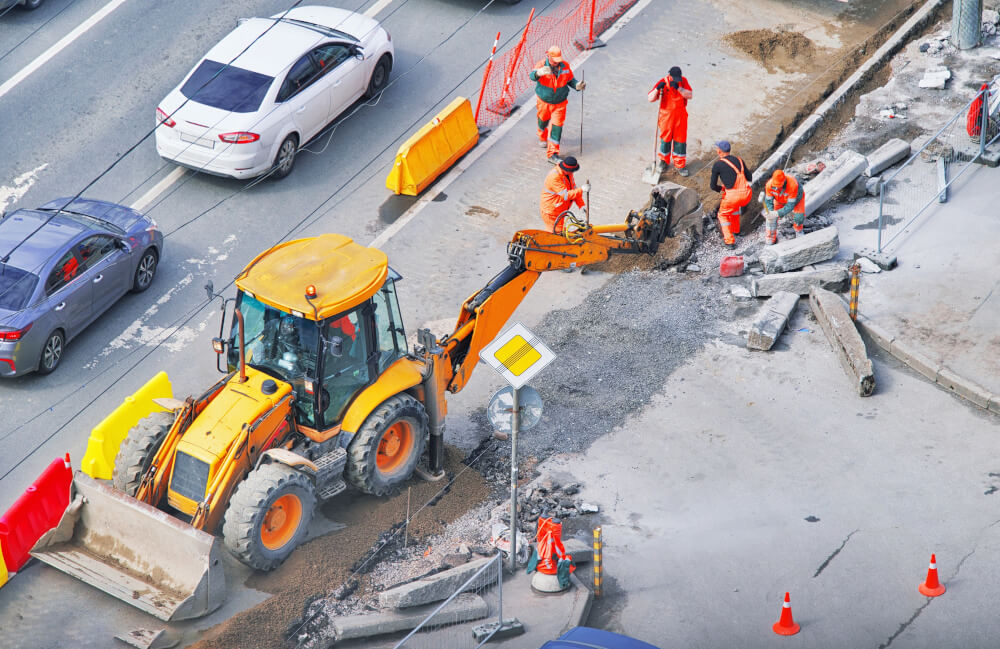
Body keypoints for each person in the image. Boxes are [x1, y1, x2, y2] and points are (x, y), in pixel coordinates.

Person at [529, 45, 586, 164]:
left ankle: (552, 154)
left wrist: (577, 85)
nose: (556, 63)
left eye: (558, 60)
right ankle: (542, 136)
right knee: (542, 121)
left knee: (557, 127)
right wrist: (538, 73)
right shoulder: (541, 65)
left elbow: (570, 80)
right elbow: (532, 76)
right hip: (544, 102)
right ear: (548, 56)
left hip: (560, 104)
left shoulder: (564, 66)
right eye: (554, 60)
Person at [648, 66, 693, 177]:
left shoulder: (683, 81)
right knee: (665, 139)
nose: (677, 80)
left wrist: (679, 88)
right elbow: (650, 98)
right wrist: (657, 89)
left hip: (680, 116)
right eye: (675, 79)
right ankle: (663, 162)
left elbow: (690, 95)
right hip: (666, 117)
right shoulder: (663, 82)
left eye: (678, 78)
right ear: (670, 75)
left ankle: (680, 165)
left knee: (680, 141)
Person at [709, 140, 752, 248]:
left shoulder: (718, 164)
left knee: (722, 215)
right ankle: (736, 230)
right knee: (734, 210)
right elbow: (749, 177)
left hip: (733, 197)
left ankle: (729, 241)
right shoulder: (739, 160)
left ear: (719, 151)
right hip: (746, 193)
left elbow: (713, 186)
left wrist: (723, 190)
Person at [540, 156, 589, 234]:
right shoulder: (554, 177)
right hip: (551, 212)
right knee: (555, 235)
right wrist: (582, 190)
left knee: (559, 233)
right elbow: (566, 195)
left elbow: (573, 190)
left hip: (559, 210)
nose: (573, 173)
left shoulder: (568, 174)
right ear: (567, 170)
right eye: (572, 171)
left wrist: (581, 204)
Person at [763, 169, 805, 243]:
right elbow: (768, 201)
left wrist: (777, 213)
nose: (777, 188)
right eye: (775, 186)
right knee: (771, 218)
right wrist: (770, 212)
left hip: (796, 199)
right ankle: (770, 238)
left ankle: (799, 230)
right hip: (779, 200)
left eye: (779, 186)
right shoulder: (769, 185)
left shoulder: (792, 184)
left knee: (799, 217)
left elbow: (790, 205)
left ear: (784, 181)